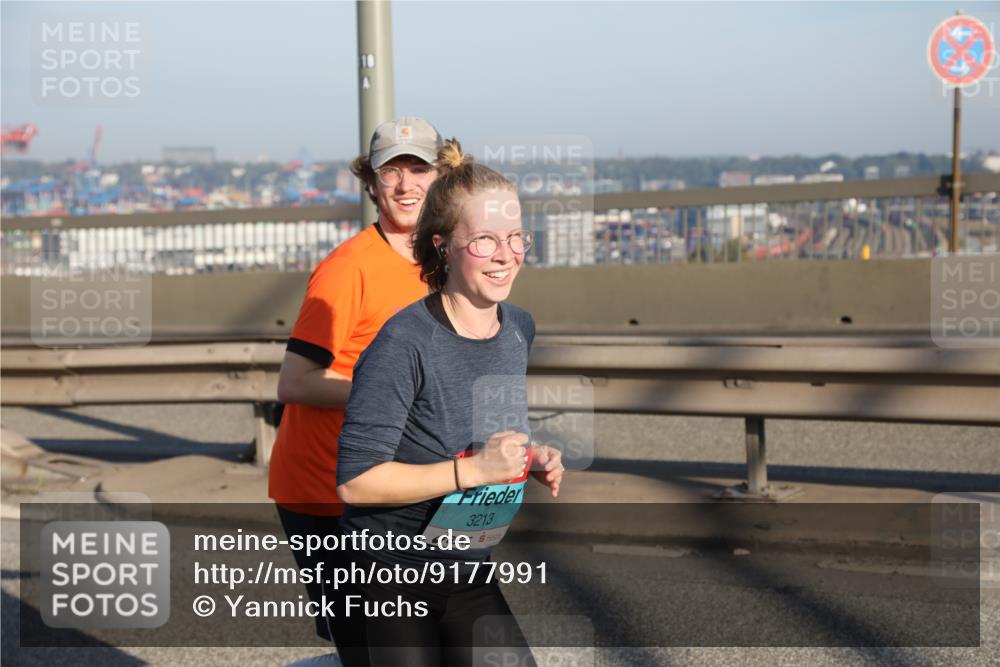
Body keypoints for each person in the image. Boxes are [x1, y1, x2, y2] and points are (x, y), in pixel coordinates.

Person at [335, 140, 565, 666]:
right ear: (442, 245)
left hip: (465, 563)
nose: (505, 255)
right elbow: (356, 481)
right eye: (484, 240)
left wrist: (527, 457)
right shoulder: (403, 343)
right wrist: (473, 472)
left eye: (515, 237)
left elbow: (469, 433)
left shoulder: (518, 328)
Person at [267, 117, 445, 666]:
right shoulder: (347, 270)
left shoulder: (442, 264)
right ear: (371, 183)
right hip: (326, 493)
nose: (406, 184)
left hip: (396, 485)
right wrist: (395, 395)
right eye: (392, 171)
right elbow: (294, 381)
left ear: (441, 177)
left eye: (419, 168)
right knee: (371, 650)